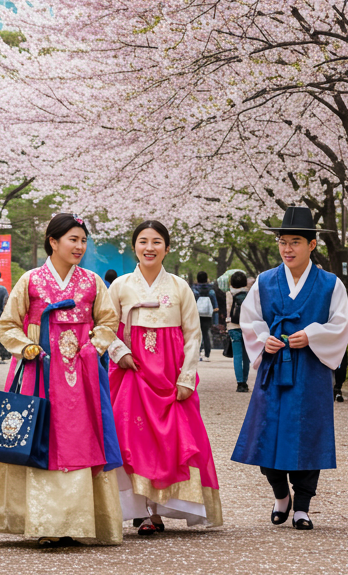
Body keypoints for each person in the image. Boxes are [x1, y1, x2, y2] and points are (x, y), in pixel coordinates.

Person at [0, 213, 124, 546]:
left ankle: (76, 522)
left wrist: (92, 347)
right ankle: (43, 522)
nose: (79, 246)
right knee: (41, 437)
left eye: (83, 240)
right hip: (38, 369)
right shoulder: (31, 281)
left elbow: (109, 321)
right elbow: (8, 324)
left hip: (80, 372)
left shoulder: (92, 282)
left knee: (78, 438)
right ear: (52, 242)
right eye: (72, 239)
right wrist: (26, 347)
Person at [231, 206, 348, 531]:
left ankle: (303, 506)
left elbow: (341, 324)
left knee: (310, 434)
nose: (288, 249)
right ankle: (280, 493)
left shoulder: (330, 284)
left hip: (311, 370)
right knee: (266, 433)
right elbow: (250, 319)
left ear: (311, 245)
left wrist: (312, 335)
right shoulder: (266, 281)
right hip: (274, 369)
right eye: (283, 242)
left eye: (295, 242)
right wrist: (264, 338)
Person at [108, 220, 223, 535]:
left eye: (156, 242)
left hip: (171, 376)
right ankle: (144, 513)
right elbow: (104, 327)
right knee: (133, 440)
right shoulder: (119, 287)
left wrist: (187, 378)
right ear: (134, 246)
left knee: (172, 441)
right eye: (143, 241)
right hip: (131, 373)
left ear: (167, 248)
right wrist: (121, 353)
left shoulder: (178, 286)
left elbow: (192, 335)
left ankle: (162, 507)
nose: (149, 248)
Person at [223, 269, 251, 393]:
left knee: (237, 356)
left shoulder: (229, 294)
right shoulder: (250, 294)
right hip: (248, 327)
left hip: (234, 327)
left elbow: (228, 311)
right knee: (246, 357)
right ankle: (245, 381)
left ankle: (240, 383)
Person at [192, 272, 217, 360]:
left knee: (197, 334)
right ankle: (207, 354)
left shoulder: (195, 290)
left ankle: (198, 353)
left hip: (196, 314)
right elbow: (215, 305)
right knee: (206, 333)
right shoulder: (211, 290)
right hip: (207, 314)